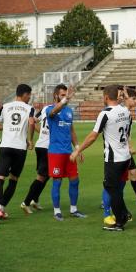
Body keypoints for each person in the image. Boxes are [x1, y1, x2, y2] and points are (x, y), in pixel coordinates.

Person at [71, 85, 132, 231]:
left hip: (113, 158)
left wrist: (77, 150)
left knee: (112, 188)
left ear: (105, 97)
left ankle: (119, 222)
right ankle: (124, 214)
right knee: (115, 187)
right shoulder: (125, 111)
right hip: (126, 156)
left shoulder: (105, 113)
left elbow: (93, 136)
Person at [0, 84, 34, 225]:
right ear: (24, 94)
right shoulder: (29, 108)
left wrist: (7, 127)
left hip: (5, 146)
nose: (30, 98)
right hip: (20, 148)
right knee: (13, 179)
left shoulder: (5, 106)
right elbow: (32, 123)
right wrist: (30, 140)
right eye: (29, 95)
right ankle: (2, 208)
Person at [46, 84, 86, 221]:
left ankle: (73, 209)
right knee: (57, 182)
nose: (65, 97)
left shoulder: (69, 111)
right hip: (56, 152)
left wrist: (77, 148)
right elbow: (54, 111)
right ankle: (57, 211)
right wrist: (64, 100)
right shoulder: (50, 110)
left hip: (69, 153)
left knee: (75, 180)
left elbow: (71, 130)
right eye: (62, 95)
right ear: (56, 95)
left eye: (66, 95)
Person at [102, 87, 136, 226]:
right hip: (114, 155)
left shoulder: (125, 112)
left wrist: (129, 146)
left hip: (125, 154)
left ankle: (121, 211)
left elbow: (126, 134)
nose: (122, 97)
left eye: (124, 95)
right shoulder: (116, 112)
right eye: (121, 95)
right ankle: (107, 214)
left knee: (120, 184)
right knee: (111, 186)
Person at [20, 104, 51, 214]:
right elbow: (32, 121)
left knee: (47, 175)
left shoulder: (46, 108)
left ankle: (35, 200)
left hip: (41, 146)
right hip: (47, 147)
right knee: (41, 177)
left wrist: (35, 138)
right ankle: (26, 202)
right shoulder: (57, 110)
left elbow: (33, 121)